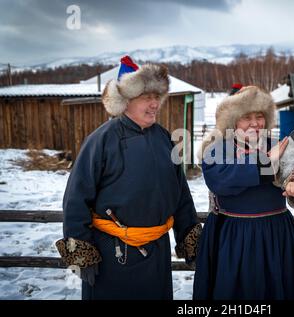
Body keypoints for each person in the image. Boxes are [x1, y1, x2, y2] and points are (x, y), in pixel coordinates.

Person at [56, 56, 202, 300]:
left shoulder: (164, 138)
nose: (154, 104)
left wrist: (190, 240)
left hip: (157, 254)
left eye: (157, 97)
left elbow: (181, 196)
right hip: (112, 257)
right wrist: (82, 254)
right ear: (125, 102)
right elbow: (75, 199)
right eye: (147, 97)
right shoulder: (101, 140)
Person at [193, 86, 294, 300]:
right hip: (235, 237)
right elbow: (222, 180)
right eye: (246, 117)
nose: (255, 123)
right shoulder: (217, 149)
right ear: (233, 121)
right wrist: (269, 161)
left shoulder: (280, 145)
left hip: (277, 234)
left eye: (259, 117)